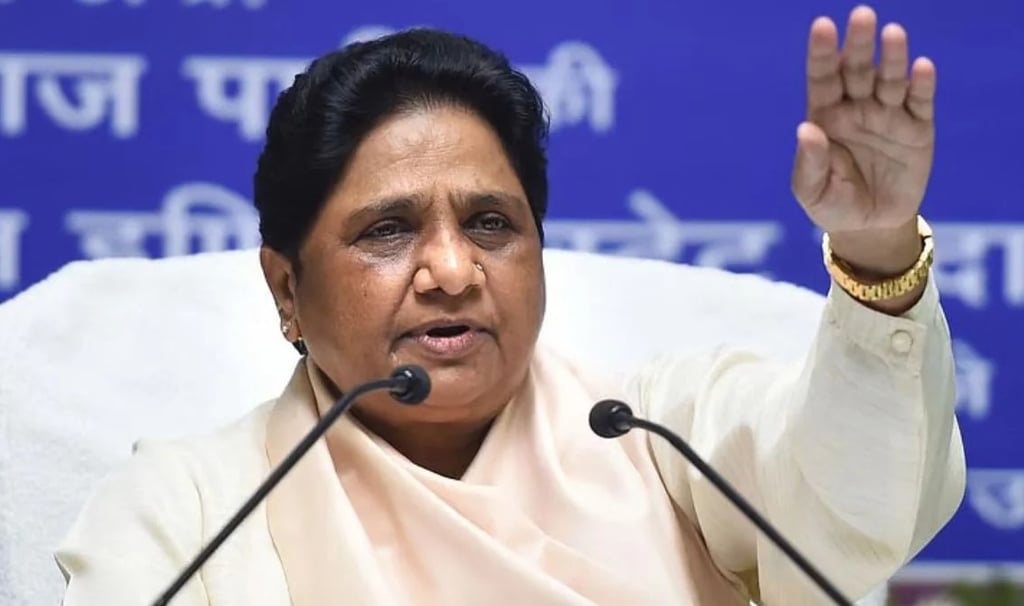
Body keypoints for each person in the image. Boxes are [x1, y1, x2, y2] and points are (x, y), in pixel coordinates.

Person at [54, 5, 965, 605]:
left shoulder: (665, 437)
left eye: (491, 222)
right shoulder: (191, 506)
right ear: (287, 288)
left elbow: (856, 509)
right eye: (387, 231)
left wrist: (877, 247)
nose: (452, 269)